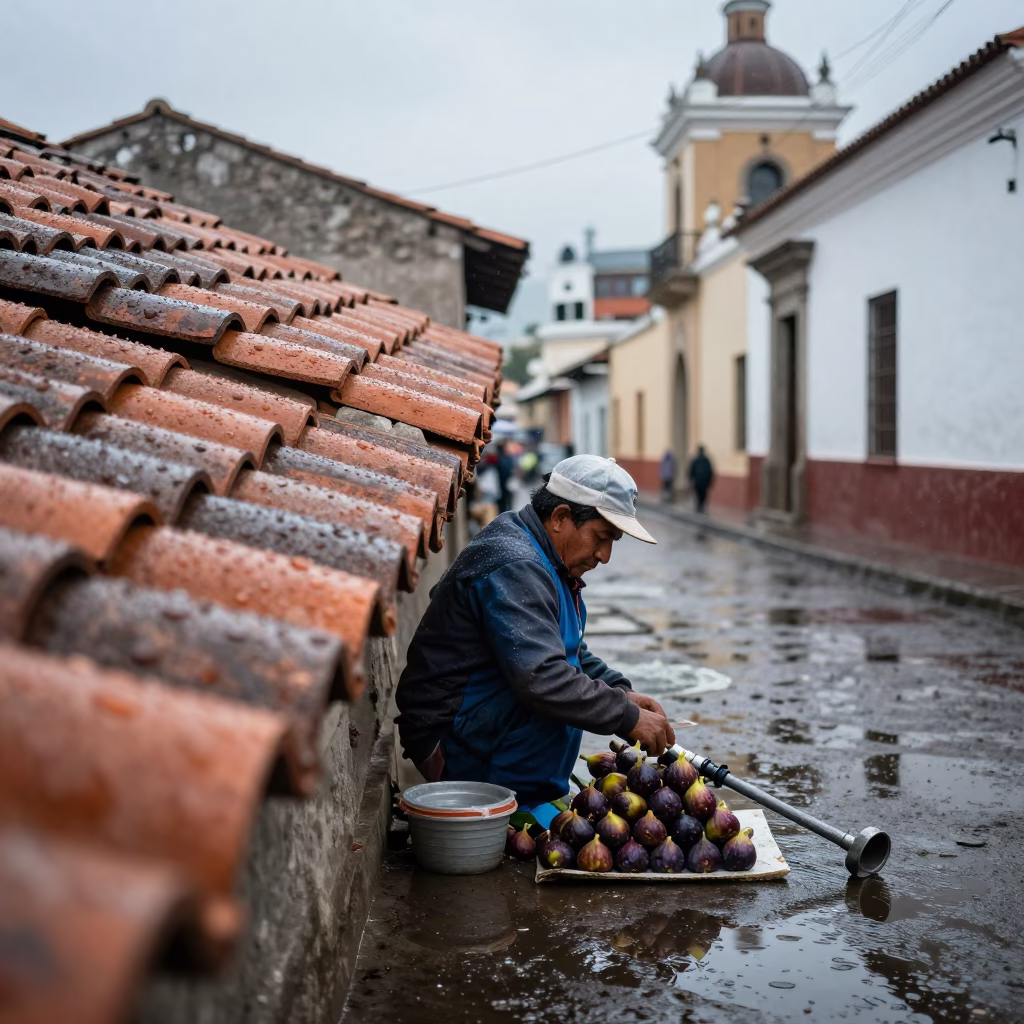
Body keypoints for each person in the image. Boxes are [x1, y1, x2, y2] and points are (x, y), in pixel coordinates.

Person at [395, 455, 676, 826]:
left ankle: (533, 798)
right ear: (560, 518)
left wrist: (619, 691)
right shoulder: (517, 564)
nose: (604, 556)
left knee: (565, 688)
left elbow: (566, 647)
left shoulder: (547, 556)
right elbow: (541, 677)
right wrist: (625, 717)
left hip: (478, 722)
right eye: (601, 537)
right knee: (549, 692)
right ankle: (513, 805)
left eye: (613, 542)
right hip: (452, 743)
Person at [688, 445, 714, 514]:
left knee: (698, 494)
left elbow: (691, 470)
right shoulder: (707, 460)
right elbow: (710, 472)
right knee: (703, 495)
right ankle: (702, 507)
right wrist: (710, 481)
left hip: (698, 481)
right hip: (704, 482)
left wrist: (691, 479)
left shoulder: (696, 460)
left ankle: (698, 507)